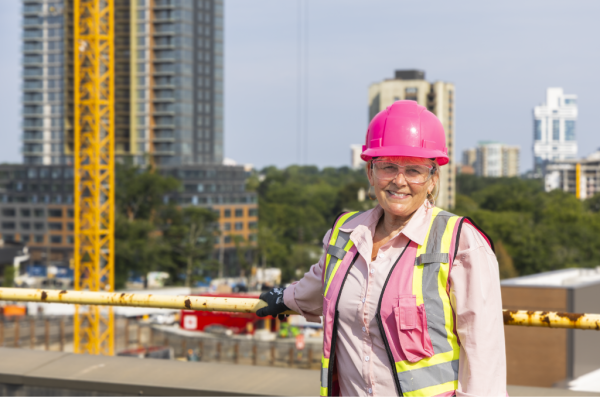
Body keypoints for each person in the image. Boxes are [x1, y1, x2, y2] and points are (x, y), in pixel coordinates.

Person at [257, 101, 506, 397]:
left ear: (432, 179)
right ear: (370, 173)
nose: (399, 181)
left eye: (414, 170)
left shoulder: (461, 243)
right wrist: (283, 297)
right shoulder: (346, 233)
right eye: (388, 166)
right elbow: (323, 282)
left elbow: (484, 355)